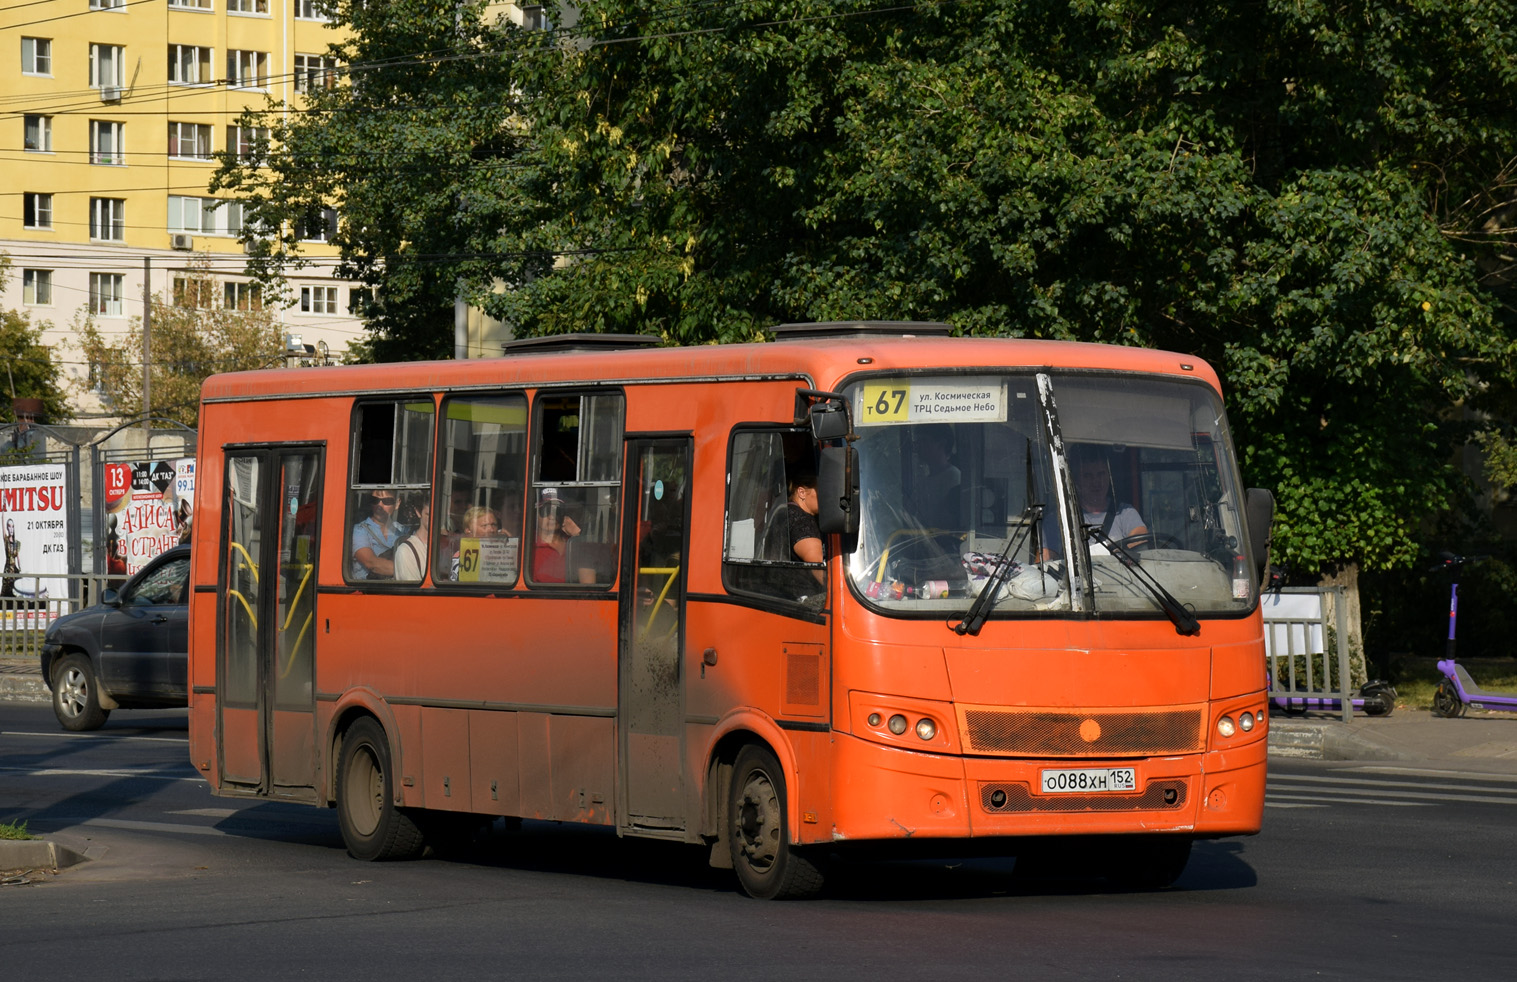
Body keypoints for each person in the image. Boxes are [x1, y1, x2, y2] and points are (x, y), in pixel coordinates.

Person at [1072, 448, 1146, 543]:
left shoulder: (1124, 512)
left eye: (1101, 474)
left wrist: (1116, 553)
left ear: (1109, 476)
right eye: (1088, 476)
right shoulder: (1062, 519)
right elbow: (1048, 554)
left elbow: (1141, 538)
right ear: (1077, 480)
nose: (1096, 482)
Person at [351, 490, 408, 580]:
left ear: (397, 504)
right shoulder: (359, 530)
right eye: (375, 500)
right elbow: (371, 563)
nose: (379, 506)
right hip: (367, 590)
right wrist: (410, 569)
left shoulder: (403, 531)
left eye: (387, 501)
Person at [913, 424, 962, 528]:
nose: (918, 446)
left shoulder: (954, 477)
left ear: (941, 444)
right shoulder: (924, 479)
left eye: (924, 441)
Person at [531, 489, 585, 583]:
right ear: (535, 514)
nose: (552, 516)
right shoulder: (527, 547)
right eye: (546, 510)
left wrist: (579, 536)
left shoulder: (575, 544)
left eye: (557, 510)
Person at [786, 471, 827, 588]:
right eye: (821, 491)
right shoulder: (802, 521)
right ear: (802, 492)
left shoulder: (787, 512)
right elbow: (817, 566)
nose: (826, 497)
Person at [449, 504, 501, 579]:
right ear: (468, 530)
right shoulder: (461, 557)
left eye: (494, 525)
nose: (491, 530)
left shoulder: (504, 553)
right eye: (485, 525)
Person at [394, 496, 431, 582]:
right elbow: (413, 593)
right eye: (429, 514)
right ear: (418, 512)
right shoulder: (406, 551)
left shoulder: (448, 545)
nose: (434, 519)